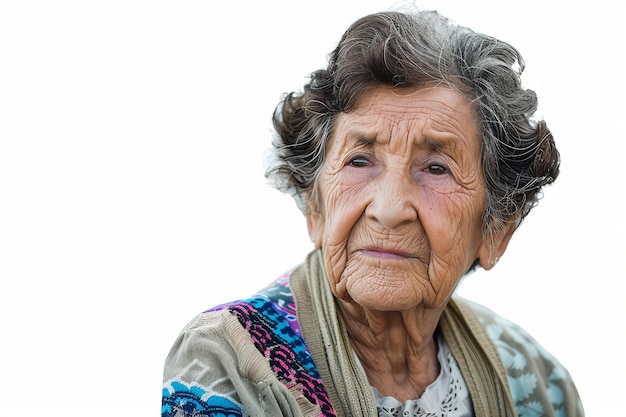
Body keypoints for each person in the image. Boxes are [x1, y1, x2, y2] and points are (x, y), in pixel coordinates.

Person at [161, 8, 584, 417]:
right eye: (360, 161)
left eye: (436, 169)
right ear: (315, 205)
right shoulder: (228, 362)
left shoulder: (538, 385)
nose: (389, 209)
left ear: (497, 229)